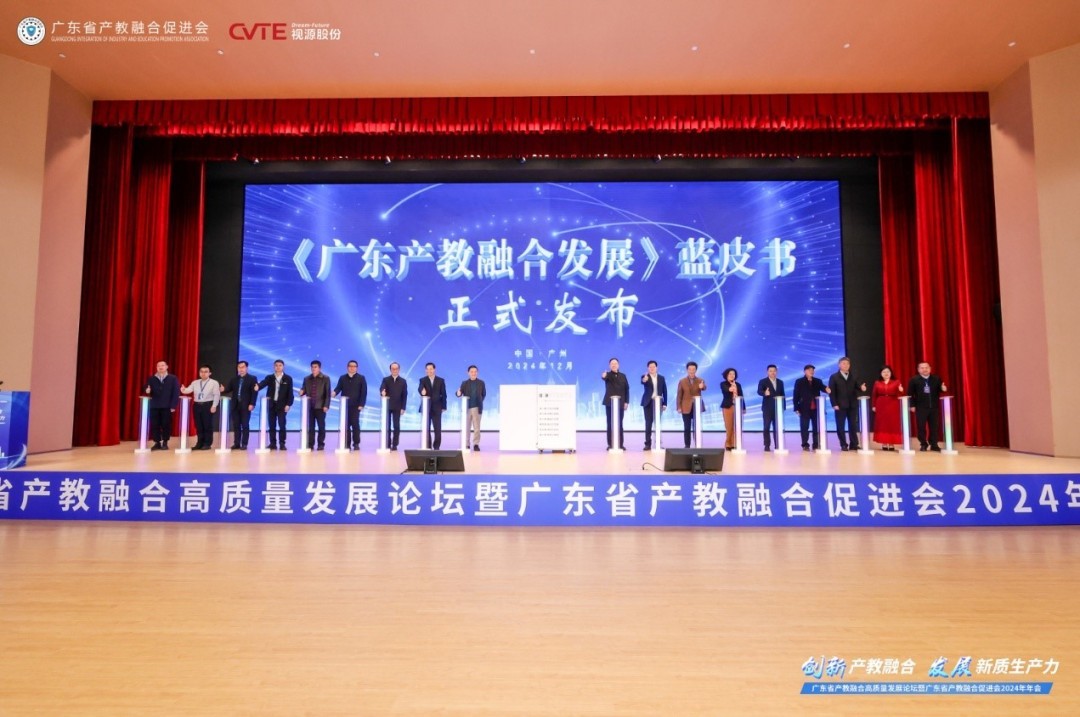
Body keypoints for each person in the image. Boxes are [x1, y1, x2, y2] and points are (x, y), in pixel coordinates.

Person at [828, 357, 868, 451]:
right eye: (844, 363)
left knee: (853, 425)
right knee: (840, 426)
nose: (846, 365)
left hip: (853, 405)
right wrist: (834, 404)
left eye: (847, 364)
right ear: (839, 365)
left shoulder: (853, 376)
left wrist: (862, 388)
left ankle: (854, 444)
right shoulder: (834, 377)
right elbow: (832, 392)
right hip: (840, 405)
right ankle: (843, 444)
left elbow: (858, 386)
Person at [907, 362, 948, 452]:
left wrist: (943, 389)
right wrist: (912, 405)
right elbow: (910, 394)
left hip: (934, 407)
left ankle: (934, 444)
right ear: (918, 370)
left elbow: (941, 389)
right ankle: (923, 444)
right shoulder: (914, 380)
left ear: (930, 368)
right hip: (920, 407)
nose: (924, 369)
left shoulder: (936, 378)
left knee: (934, 427)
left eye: (926, 367)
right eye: (922, 368)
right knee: (921, 427)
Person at [180, 364, 220, 450]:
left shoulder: (214, 383)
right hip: (197, 405)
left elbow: (216, 395)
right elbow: (188, 390)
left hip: (207, 405)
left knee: (207, 425)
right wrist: (184, 390)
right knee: (198, 425)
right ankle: (199, 443)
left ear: (210, 373)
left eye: (206, 372)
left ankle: (207, 443)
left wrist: (214, 406)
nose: (203, 373)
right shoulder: (195, 382)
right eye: (201, 372)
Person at [221, 361, 259, 450]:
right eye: (239, 367)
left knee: (245, 425)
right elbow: (228, 389)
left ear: (246, 368)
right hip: (235, 405)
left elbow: (254, 392)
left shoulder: (252, 378)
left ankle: (244, 443)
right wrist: (223, 390)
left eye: (243, 367)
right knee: (236, 425)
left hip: (246, 405)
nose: (241, 369)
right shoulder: (234, 379)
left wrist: (252, 403)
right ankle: (236, 443)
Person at [144, 360, 180, 450]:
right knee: (155, 425)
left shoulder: (173, 378)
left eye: (162, 365)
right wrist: (147, 390)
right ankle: (157, 442)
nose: (160, 367)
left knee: (166, 424)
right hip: (154, 405)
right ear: (156, 368)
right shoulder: (152, 378)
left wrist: (173, 405)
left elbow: (176, 392)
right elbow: (146, 388)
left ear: (167, 367)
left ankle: (165, 442)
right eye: (158, 366)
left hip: (167, 406)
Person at [258, 359, 294, 451]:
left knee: (282, 425)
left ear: (283, 367)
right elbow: (263, 383)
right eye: (276, 365)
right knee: (272, 425)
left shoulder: (288, 378)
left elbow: (290, 393)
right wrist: (257, 386)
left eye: (280, 365)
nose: (278, 367)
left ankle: (282, 443)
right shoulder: (270, 377)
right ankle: (272, 443)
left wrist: (288, 404)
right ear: (274, 367)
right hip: (271, 405)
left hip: (282, 405)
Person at [793, 364, 829, 451]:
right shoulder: (799, 381)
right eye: (809, 370)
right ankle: (805, 444)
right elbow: (796, 395)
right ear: (805, 371)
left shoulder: (817, 381)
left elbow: (823, 388)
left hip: (816, 408)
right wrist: (796, 408)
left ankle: (816, 444)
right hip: (804, 408)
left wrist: (827, 389)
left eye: (812, 370)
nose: (811, 371)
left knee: (816, 427)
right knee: (804, 427)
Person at [333, 360, 367, 451]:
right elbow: (338, 388)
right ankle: (346, 443)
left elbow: (363, 392)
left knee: (355, 425)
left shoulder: (361, 378)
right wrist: (334, 392)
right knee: (346, 425)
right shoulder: (342, 378)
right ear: (347, 367)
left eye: (354, 366)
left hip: (356, 406)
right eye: (350, 366)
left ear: (357, 368)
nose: (352, 368)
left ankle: (356, 443)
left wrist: (361, 404)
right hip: (345, 406)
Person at [871, 365, 905, 451]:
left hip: (893, 404)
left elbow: (901, 395)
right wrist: (873, 405)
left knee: (892, 424)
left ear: (891, 373)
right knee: (882, 424)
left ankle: (891, 443)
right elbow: (874, 395)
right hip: (881, 404)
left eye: (888, 372)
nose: (886, 373)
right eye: (884, 372)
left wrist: (901, 390)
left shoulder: (896, 382)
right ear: (881, 373)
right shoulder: (877, 382)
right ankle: (884, 442)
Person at [299, 360, 332, 450]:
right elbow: (304, 390)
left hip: (321, 406)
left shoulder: (325, 378)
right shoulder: (306, 379)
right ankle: (310, 444)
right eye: (312, 367)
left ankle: (321, 444)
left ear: (319, 368)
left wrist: (326, 405)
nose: (313, 369)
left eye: (315, 367)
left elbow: (327, 393)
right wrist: (301, 392)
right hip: (309, 407)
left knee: (321, 426)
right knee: (311, 427)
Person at [675, 361, 707, 448]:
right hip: (685, 407)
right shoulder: (682, 381)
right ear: (687, 370)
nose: (692, 371)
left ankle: (697, 444)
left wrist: (702, 387)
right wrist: (678, 407)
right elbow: (679, 395)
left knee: (697, 427)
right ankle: (687, 445)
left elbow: (704, 387)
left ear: (696, 370)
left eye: (693, 369)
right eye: (690, 369)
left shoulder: (700, 380)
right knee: (687, 427)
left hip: (697, 407)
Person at [601, 357, 630, 450]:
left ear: (618, 365)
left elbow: (627, 389)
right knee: (610, 424)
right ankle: (610, 444)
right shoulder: (608, 375)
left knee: (620, 424)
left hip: (621, 403)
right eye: (612, 363)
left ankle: (620, 444)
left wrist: (626, 402)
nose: (614, 365)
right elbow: (604, 377)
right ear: (609, 365)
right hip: (609, 403)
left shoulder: (623, 376)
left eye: (615, 363)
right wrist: (604, 376)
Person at [455, 365, 486, 451]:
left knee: (477, 428)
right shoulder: (464, 383)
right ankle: (467, 444)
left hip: (477, 408)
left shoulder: (481, 383)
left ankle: (476, 444)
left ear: (477, 372)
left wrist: (479, 401)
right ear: (468, 373)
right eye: (471, 372)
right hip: (467, 408)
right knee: (466, 427)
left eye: (475, 372)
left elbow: (483, 394)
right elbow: (459, 393)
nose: (473, 373)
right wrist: (458, 393)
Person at [418, 362, 448, 450]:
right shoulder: (423, 380)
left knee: (437, 429)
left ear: (434, 369)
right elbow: (420, 388)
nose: (429, 371)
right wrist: (422, 391)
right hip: (426, 407)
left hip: (437, 407)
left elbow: (444, 394)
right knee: (426, 428)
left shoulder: (440, 380)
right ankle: (428, 446)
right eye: (427, 369)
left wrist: (444, 406)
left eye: (431, 369)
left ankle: (436, 446)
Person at [756, 364, 785, 452]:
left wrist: (783, 407)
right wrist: (765, 393)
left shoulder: (780, 382)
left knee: (777, 428)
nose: (772, 373)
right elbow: (759, 391)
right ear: (767, 372)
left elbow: (783, 394)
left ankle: (778, 445)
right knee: (766, 427)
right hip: (767, 408)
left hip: (778, 408)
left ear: (777, 371)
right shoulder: (763, 381)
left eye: (774, 371)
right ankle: (767, 445)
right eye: (770, 371)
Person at [639, 360, 667, 450]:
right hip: (648, 402)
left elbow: (665, 391)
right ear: (648, 368)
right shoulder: (645, 376)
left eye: (653, 367)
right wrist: (644, 380)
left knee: (658, 423)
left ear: (656, 368)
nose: (652, 368)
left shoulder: (661, 378)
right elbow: (643, 381)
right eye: (650, 367)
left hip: (658, 402)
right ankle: (647, 444)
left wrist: (665, 403)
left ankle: (658, 444)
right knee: (648, 423)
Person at [379, 362, 407, 451]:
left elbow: (404, 395)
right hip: (387, 406)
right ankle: (387, 443)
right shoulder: (386, 379)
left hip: (398, 407)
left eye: (396, 369)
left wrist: (403, 407)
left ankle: (395, 444)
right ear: (390, 370)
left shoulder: (403, 381)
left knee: (396, 426)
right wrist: (382, 392)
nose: (394, 370)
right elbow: (382, 388)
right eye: (393, 369)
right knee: (387, 426)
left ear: (399, 370)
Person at [719, 367, 745, 450]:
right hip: (728, 407)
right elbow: (726, 389)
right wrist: (730, 388)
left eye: (733, 374)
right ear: (726, 375)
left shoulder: (738, 385)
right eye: (730, 374)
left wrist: (743, 407)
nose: (732, 375)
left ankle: (735, 443)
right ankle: (728, 444)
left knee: (737, 426)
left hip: (738, 407)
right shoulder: (723, 384)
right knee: (729, 426)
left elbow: (741, 396)